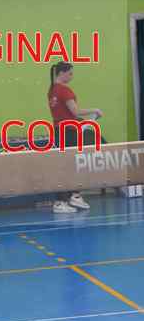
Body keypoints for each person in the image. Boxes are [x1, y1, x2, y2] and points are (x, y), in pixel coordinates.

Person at [48, 61, 103, 213]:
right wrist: (95, 110)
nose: (72, 77)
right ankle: (60, 201)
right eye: (70, 73)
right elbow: (76, 112)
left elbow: (65, 115)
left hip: (60, 130)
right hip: (68, 132)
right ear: (61, 73)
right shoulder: (64, 90)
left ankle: (74, 195)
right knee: (69, 165)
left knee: (68, 164)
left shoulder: (52, 90)